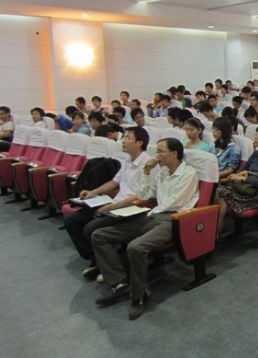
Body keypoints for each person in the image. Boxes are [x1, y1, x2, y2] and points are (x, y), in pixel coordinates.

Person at [92, 137, 199, 320]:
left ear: (174, 153)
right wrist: (147, 172)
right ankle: (119, 282)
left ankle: (139, 295)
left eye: (161, 152)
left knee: (136, 247)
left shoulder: (189, 173)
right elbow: (143, 194)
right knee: (99, 235)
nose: (157, 156)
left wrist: (151, 209)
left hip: (173, 219)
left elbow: (174, 202)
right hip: (153, 214)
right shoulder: (162, 171)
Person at [64, 127, 154, 281]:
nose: (123, 141)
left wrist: (112, 207)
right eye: (124, 137)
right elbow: (114, 182)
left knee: (90, 228)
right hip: (116, 204)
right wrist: (92, 192)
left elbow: (142, 195)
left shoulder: (148, 164)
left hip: (132, 208)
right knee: (71, 220)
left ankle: (107, 264)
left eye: (128, 138)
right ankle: (99, 260)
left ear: (139, 143)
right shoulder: (127, 160)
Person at [216, 125, 258, 233]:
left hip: (255, 194)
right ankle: (217, 231)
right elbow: (242, 170)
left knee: (220, 195)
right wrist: (236, 177)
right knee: (217, 193)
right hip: (241, 189)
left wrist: (245, 178)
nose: (255, 137)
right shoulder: (256, 154)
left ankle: (216, 232)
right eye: (256, 134)